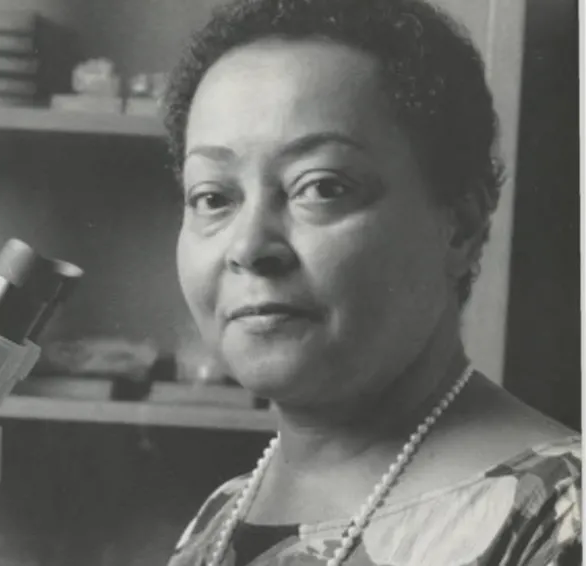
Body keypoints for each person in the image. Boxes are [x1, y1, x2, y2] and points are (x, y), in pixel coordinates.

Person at [161, 0, 581, 564]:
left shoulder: (560, 514)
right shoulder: (222, 514)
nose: (248, 247)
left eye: (322, 186)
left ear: (459, 226)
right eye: (213, 198)